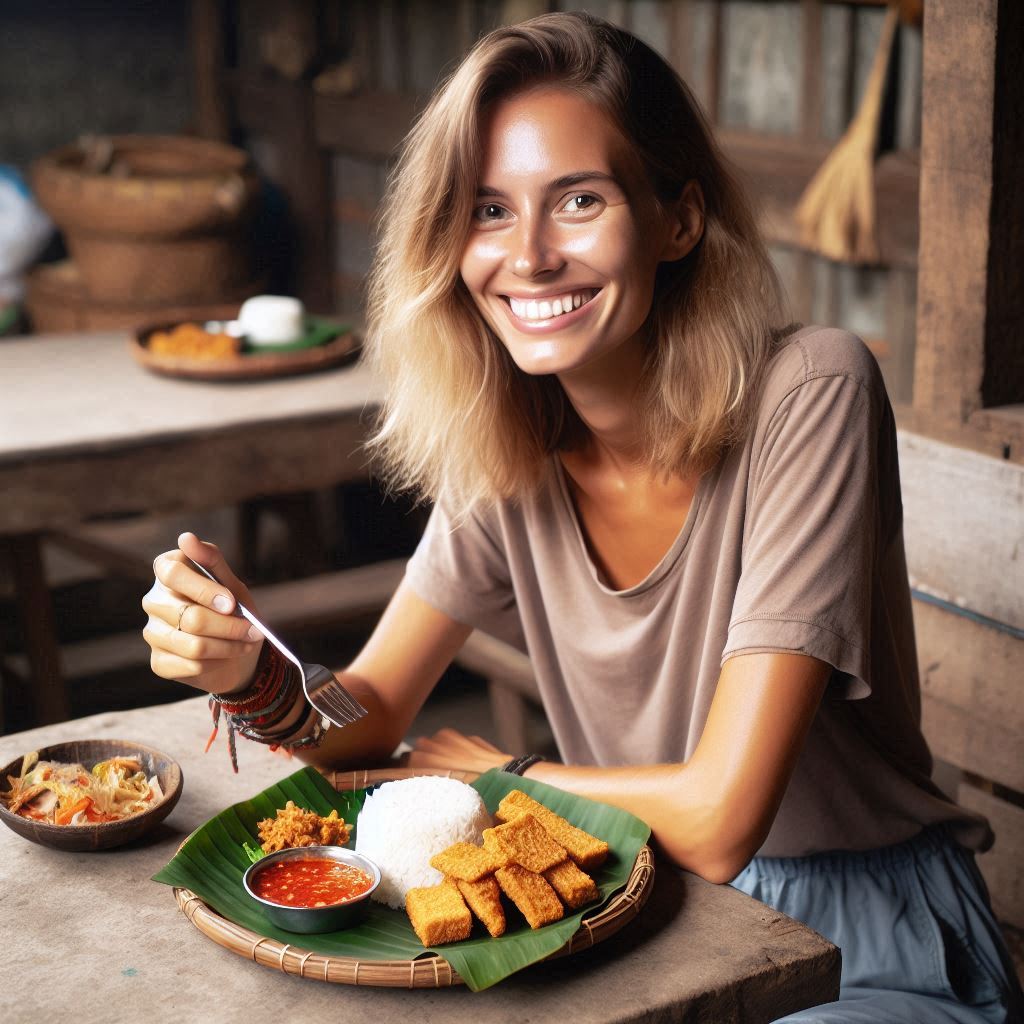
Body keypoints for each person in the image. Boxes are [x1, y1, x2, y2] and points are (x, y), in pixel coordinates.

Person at [142, 13, 1022, 1022]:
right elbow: (372, 715)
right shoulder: (507, 448)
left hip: (864, 943)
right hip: (644, 917)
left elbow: (721, 816)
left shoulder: (808, 390)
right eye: (485, 210)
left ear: (676, 220)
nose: (528, 255)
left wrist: (508, 775)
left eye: (578, 201)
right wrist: (256, 673)